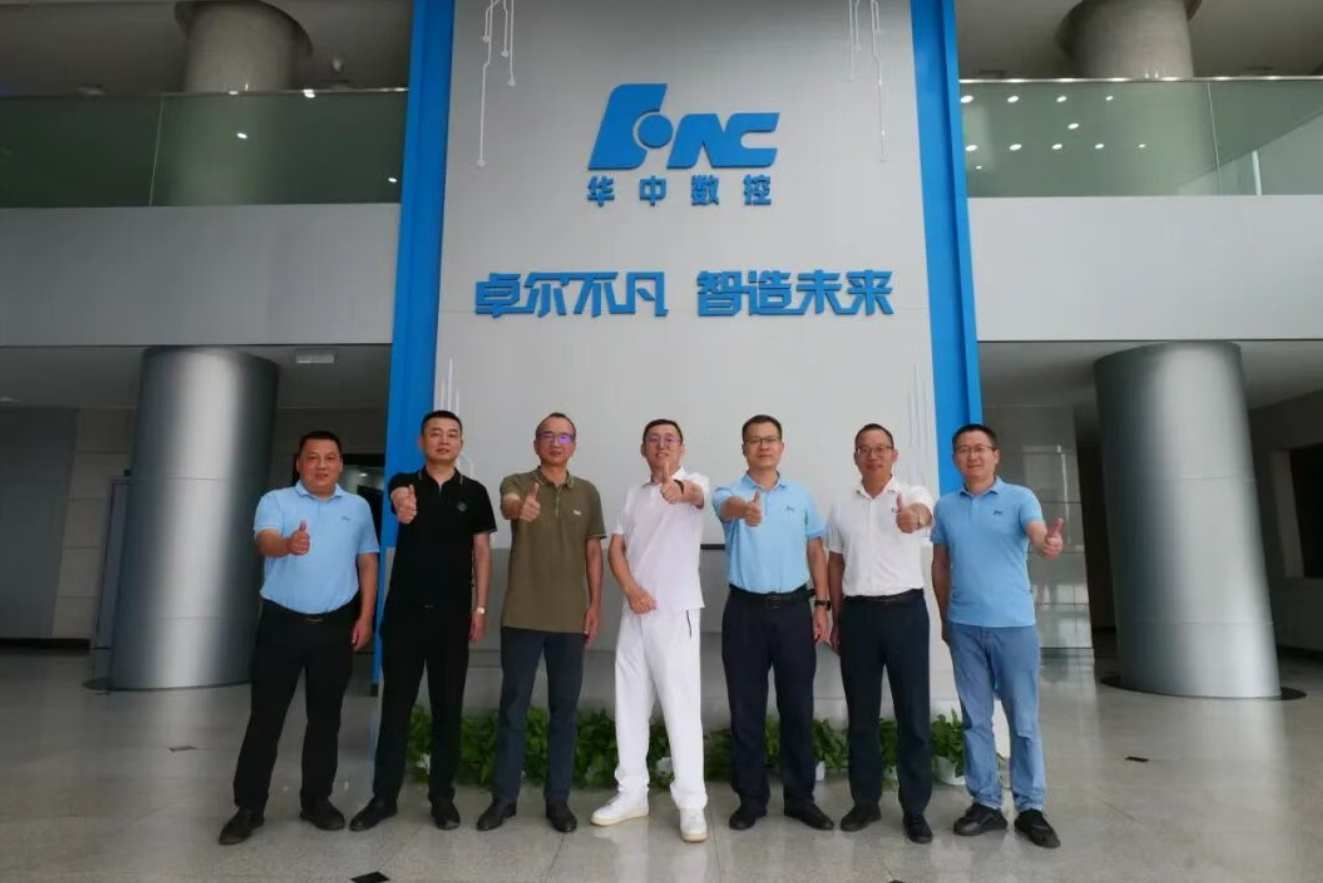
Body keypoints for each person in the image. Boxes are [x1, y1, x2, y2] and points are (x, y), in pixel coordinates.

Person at [220, 430, 379, 846]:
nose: (321, 465)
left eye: (330, 457)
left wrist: (365, 616)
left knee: (326, 719)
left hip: (335, 627)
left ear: (340, 464)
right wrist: (288, 544)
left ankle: (316, 800)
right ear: (298, 463)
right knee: (266, 717)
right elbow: (264, 541)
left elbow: (367, 561)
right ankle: (249, 807)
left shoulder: (358, 507)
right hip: (281, 625)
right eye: (312, 457)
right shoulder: (276, 501)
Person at [350, 410, 495, 833]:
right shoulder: (405, 484)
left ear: (461, 444)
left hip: (453, 619)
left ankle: (442, 798)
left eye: (452, 434)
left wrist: (480, 609)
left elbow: (482, 552)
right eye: (435, 434)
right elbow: (397, 493)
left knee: (448, 710)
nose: (443, 440)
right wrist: (400, 500)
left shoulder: (475, 492)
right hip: (405, 617)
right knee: (396, 709)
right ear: (421, 442)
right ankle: (383, 797)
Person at [931, 423, 1064, 849]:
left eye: (980, 448)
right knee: (975, 720)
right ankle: (986, 803)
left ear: (995, 454)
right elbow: (940, 565)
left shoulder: (1020, 498)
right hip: (965, 627)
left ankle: (1031, 807)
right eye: (963, 449)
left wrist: (1047, 543)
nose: (972, 456)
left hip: (1014, 627)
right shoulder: (946, 506)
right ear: (955, 457)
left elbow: (1038, 534)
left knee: (1023, 720)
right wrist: (945, 618)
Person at [477, 412, 606, 833]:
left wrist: (595, 605)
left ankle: (558, 800)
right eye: (548, 435)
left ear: (574, 444)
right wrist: (521, 508)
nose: (556, 442)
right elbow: (509, 504)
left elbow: (593, 553)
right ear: (536, 444)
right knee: (513, 707)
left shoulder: (587, 492)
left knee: (564, 712)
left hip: (570, 619)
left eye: (564, 436)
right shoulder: (517, 482)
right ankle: (504, 799)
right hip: (522, 616)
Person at [590, 418, 710, 843]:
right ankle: (632, 794)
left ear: (682, 448)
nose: (662, 445)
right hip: (635, 612)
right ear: (643, 449)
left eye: (669, 439)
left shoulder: (695, 483)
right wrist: (631, 590)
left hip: (677, 613)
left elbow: (693, 495)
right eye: (654, 440)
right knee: (630, 704)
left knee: (681, 707)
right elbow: (616, 549)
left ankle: (692, 805)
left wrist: (678, 489)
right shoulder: (632, 494)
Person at [712, 414, 833, 832]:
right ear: (744, 449)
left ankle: (800, 799)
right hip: (745, 612)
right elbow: (726, 508)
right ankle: (751, 799)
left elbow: (815, 551)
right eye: (755, 440)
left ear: (781, 447)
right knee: (746, 708)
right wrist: (745, 510)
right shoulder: (728, 493)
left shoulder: (800, 495)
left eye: (770, 439)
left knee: (797, 706)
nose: (763, 446)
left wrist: (822, 605)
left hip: (795, 611)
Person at [827, 423, 936, 843]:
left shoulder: (912, 493)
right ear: (855, 456)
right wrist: (837, 617)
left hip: (906, 613)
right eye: (864, 449)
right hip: (858, 616)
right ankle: (865, 801)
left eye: (881, 448)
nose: (873, 456)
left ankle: (915, 808)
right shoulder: (841, 505)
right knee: (861, 716)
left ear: (894, 454)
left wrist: (914, 517)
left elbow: (923, 513)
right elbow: (835, 562)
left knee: (913, 714)